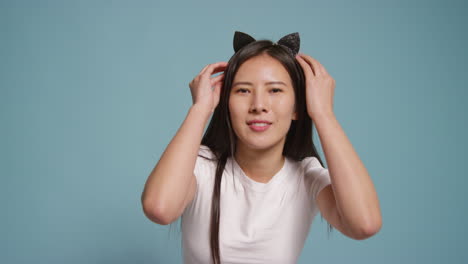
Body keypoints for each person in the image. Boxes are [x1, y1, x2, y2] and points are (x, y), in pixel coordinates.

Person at [141, 31, 382, 264]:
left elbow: (364, 224)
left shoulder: (306, 177)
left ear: (298, 106)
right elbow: (159, 209)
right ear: (226, 103)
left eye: (275, 90)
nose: (258, 105)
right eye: (243, 90)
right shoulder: (201, 167)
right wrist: (200, 109)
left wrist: (323, 114)